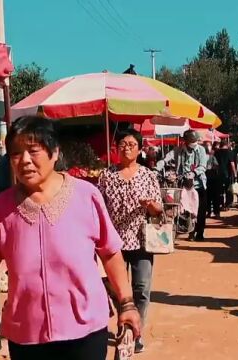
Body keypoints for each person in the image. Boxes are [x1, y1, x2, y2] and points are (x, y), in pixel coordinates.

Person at [0, 116, 140, 360]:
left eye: (33, 151)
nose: (24, 160)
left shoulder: (86, 196)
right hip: (26, 333)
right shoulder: (1, 208)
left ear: (55, 152)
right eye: (16, 154)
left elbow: (110, 253)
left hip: (84, 330)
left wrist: (127, 303)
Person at [97, 129, 163, 354]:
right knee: (117, 290)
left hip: (142, 240)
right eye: (122, 144)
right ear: (116, 148)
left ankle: (136, 332)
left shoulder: (148, 175)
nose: (126, 148)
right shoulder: (106, 176)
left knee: (142, 288)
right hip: (114, 242)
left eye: (131, 144)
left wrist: (151, 206)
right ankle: (124, 322)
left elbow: (159, 209)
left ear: (140, 149)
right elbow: (99, 208)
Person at [159, 130, 208, 241]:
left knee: (200, 211)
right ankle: (188, 229)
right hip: (183, 186)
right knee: (184, 209)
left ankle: (199, 233)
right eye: (191, 141)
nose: (194, 144)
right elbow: (165, 159)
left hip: (198, 185)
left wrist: (194, 173)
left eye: (195, 141)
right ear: (185, 142)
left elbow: (203, 166)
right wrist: (156, 168)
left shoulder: (201, 150)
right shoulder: (178, 150)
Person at [214, 138, 237, 210]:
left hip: (218, 174)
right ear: (227, 145)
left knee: (219, 190)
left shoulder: (216, 152)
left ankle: (221, 204)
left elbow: (215, 164)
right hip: (228, 174)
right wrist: (235, 174)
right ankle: (227, 205)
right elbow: (232, 164)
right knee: (228, 190)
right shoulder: (230, 152)